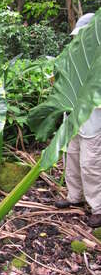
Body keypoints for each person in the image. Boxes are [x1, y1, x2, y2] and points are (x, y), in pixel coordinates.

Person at [55, 13, 101, 228]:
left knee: (90, 164)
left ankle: (98, 208)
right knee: (71, 159)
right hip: (73, 120)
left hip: (93, 122)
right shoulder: (74, 57)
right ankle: (75, 196)